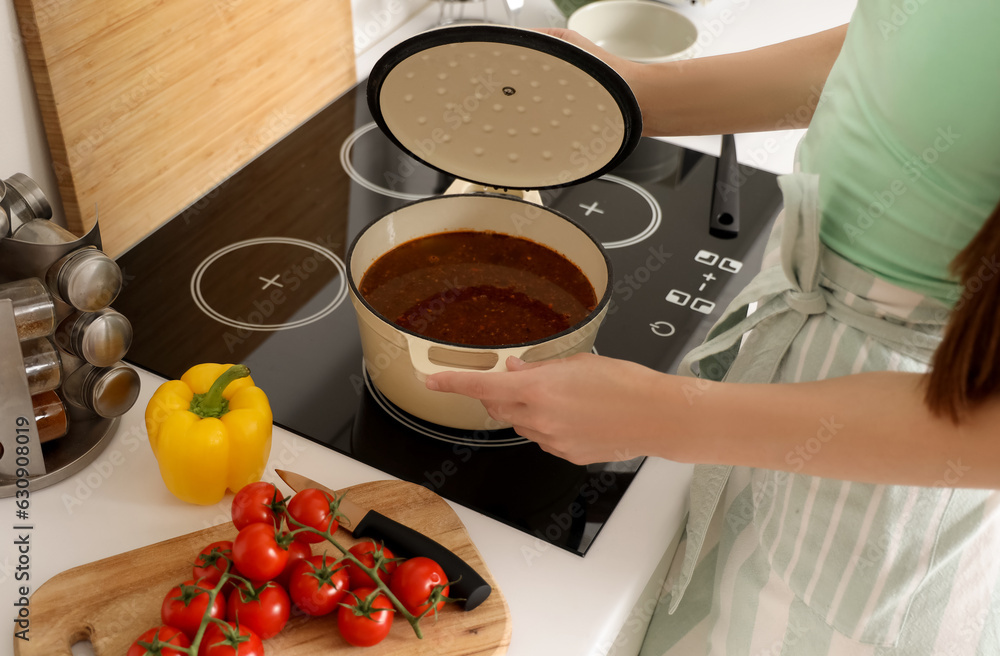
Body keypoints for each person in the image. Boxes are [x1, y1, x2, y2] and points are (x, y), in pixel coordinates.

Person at [425, 2, 1000, 654]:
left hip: (893, 468)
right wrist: (631, 95)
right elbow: (891, 46)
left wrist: (665, 417)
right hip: (796, 367)